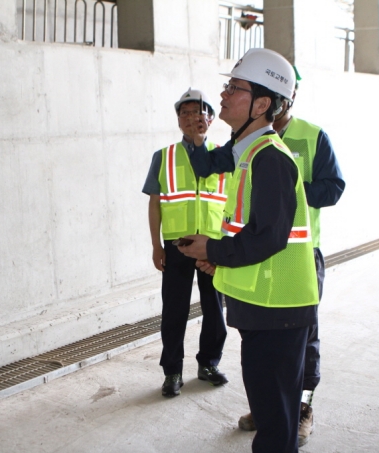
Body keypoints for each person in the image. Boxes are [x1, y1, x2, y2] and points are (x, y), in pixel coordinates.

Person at [178, 48, 319, 453]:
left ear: (262, 103)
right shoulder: (249, 154)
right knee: (269, 410)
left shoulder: (270, 158)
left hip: (279, 311)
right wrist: (215, 254)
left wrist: (215, 249)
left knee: (275, 427)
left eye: (234, 88)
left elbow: (270, 238)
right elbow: (250, 230)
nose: (222, 95)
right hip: (263, 308)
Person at [235, 67, 345, 446]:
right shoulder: (246, 139)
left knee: (303, 339)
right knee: (263, 341)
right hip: (256, 252)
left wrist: (288, 193)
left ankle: (300, 408)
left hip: (299, 254)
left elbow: (333, 188)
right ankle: (272, 406)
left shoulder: (312, 136)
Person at [142, 88, 230, 398]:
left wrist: (227, 246)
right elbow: (155, 204)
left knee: (215, 309)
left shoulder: (223, 156)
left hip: (212, 247)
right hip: (177, 246)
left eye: (198, 112)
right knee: (175, 310)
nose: (192, 118)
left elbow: (232, 205)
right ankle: (172, 372)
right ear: (178, 120)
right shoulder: (163, 157)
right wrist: (157, 245)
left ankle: (208, 364)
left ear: (210, 117)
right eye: (185, 113)